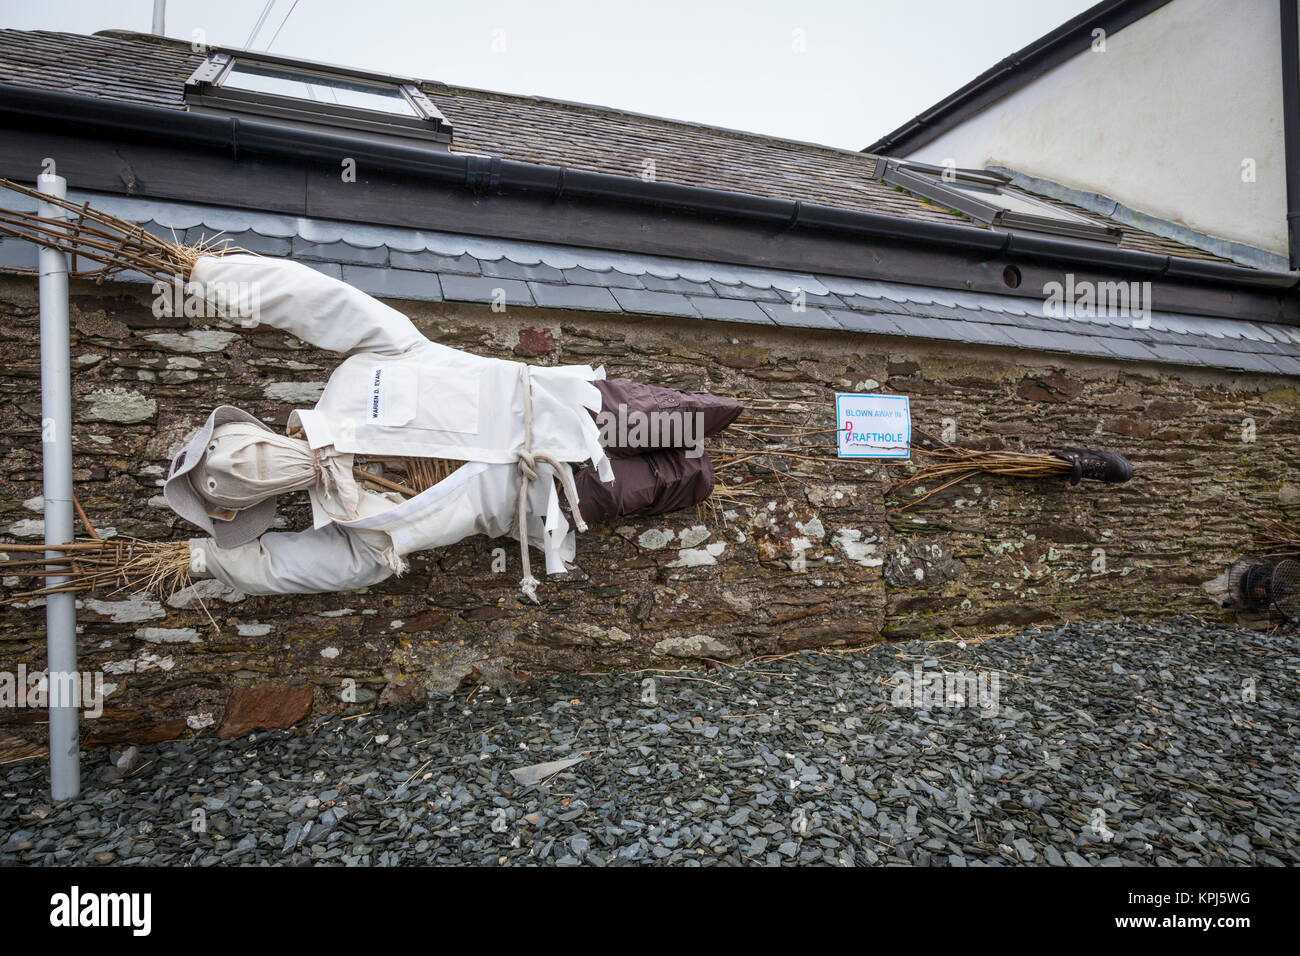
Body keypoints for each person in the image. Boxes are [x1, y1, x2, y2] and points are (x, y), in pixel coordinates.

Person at [165, 254, 740, 600]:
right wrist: (205, 560)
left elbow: (313, 299)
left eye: (245, 454)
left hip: (570, 410)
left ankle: (739, 430)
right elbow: (282, 568)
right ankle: (706, 471)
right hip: (555, 499)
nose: (259, 463)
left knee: (693, 419)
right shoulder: (358, 529)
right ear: (256, 500)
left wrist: (209, 274)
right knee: (685, 480)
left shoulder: (364, 369)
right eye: (248, 475)